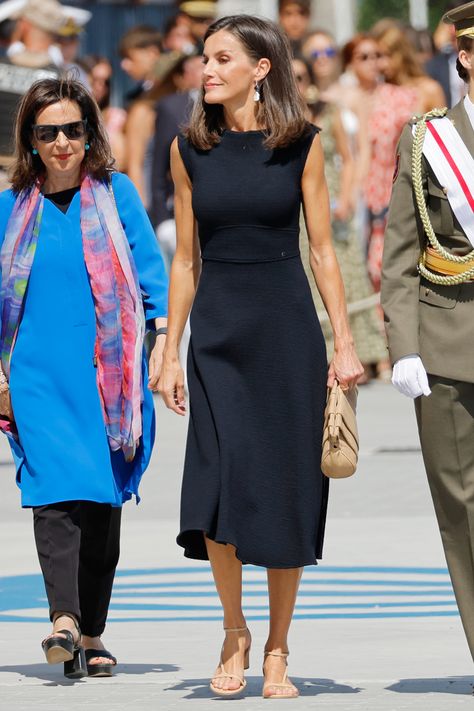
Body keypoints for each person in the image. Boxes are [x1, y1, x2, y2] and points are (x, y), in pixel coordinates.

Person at [155, 14, 362, 699]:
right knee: (216, 486)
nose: (206, 69)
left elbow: (324, 248)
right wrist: (170, 345)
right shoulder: (187, 149)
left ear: (260, 68)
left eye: (220, 59)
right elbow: (184, 258)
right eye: (204, 58)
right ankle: (234, 627)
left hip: (284, 336)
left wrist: (345, 341)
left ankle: (277, 644)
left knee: (282, 489)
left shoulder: (301, 143)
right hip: (216, 335)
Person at [0, 78, 168, 678]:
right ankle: (63, 619)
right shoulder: (8, 209)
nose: (63, 142)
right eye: (48, 132)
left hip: (110, 380)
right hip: (37, 376)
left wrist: (163, 344)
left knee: (101, 503)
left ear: (89, 134)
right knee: (51, 493)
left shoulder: (116, 195)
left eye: (73, 129)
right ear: (31, 140)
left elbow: (155, 281)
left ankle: (90, 633)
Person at [381, 0, 474, 663]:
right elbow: (402, 256)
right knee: (462, 507)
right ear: (466, 55)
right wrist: (405, 346)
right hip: (449, 345)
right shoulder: (427, 140)